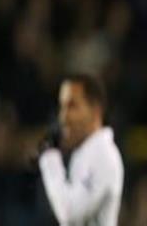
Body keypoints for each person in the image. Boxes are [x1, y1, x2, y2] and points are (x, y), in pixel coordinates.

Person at [37, 74, 124, 226]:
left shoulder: (103, 156)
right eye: (62, 107)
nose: (63, 117)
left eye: (72, 106)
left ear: (95, 110)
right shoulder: (85, 152)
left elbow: (71, 215)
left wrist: (50, 161)